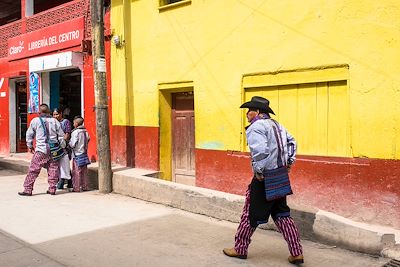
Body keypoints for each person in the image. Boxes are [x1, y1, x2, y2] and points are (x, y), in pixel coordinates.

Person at [223, 96, 304, 265]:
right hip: (280, 176)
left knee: (249, 213)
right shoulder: (277, 125)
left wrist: (259, 171)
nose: (247, 114)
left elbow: (260, 152)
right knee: (282, 214)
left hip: (264, 177)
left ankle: (240, 248)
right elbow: (292, 142)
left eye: (249, 110)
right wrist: (289, 163)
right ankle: (296, 253)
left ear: (258, 112)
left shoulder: (256, 127)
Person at [18, 104, 65, 196]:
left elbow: (29, 134)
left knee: (34, 169)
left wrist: (30, 145)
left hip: (41, 149)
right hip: (53, 149)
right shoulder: (55, 121)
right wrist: (62, 147)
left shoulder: (35, 121)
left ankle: (28, 189)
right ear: (49, 112)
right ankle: (52, 189)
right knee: (53, 168)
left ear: (39, 112)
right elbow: (61, 135)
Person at [53, 108, 73, 189]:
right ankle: (68, 181)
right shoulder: (53, 122)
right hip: (56, 146)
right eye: (54, 114)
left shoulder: (66, 122)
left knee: (64, 164)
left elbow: (67, 134)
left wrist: (63, 142)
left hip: (64, 146)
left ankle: (62, 183)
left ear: (61, 114)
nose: (55, 116)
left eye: (57, 114)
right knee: (59, 165)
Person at [69, 116, 90, 192]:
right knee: (84, 172)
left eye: (74, 123)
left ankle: (76, 187)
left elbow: (73, 143)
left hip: (77, 154)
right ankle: (85, 186)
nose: (73, 124)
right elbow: (88, 139)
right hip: (84, 154)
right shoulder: (86, 131)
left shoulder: (75, 132)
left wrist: (69, 144)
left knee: (76, 172)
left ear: (77, 123)